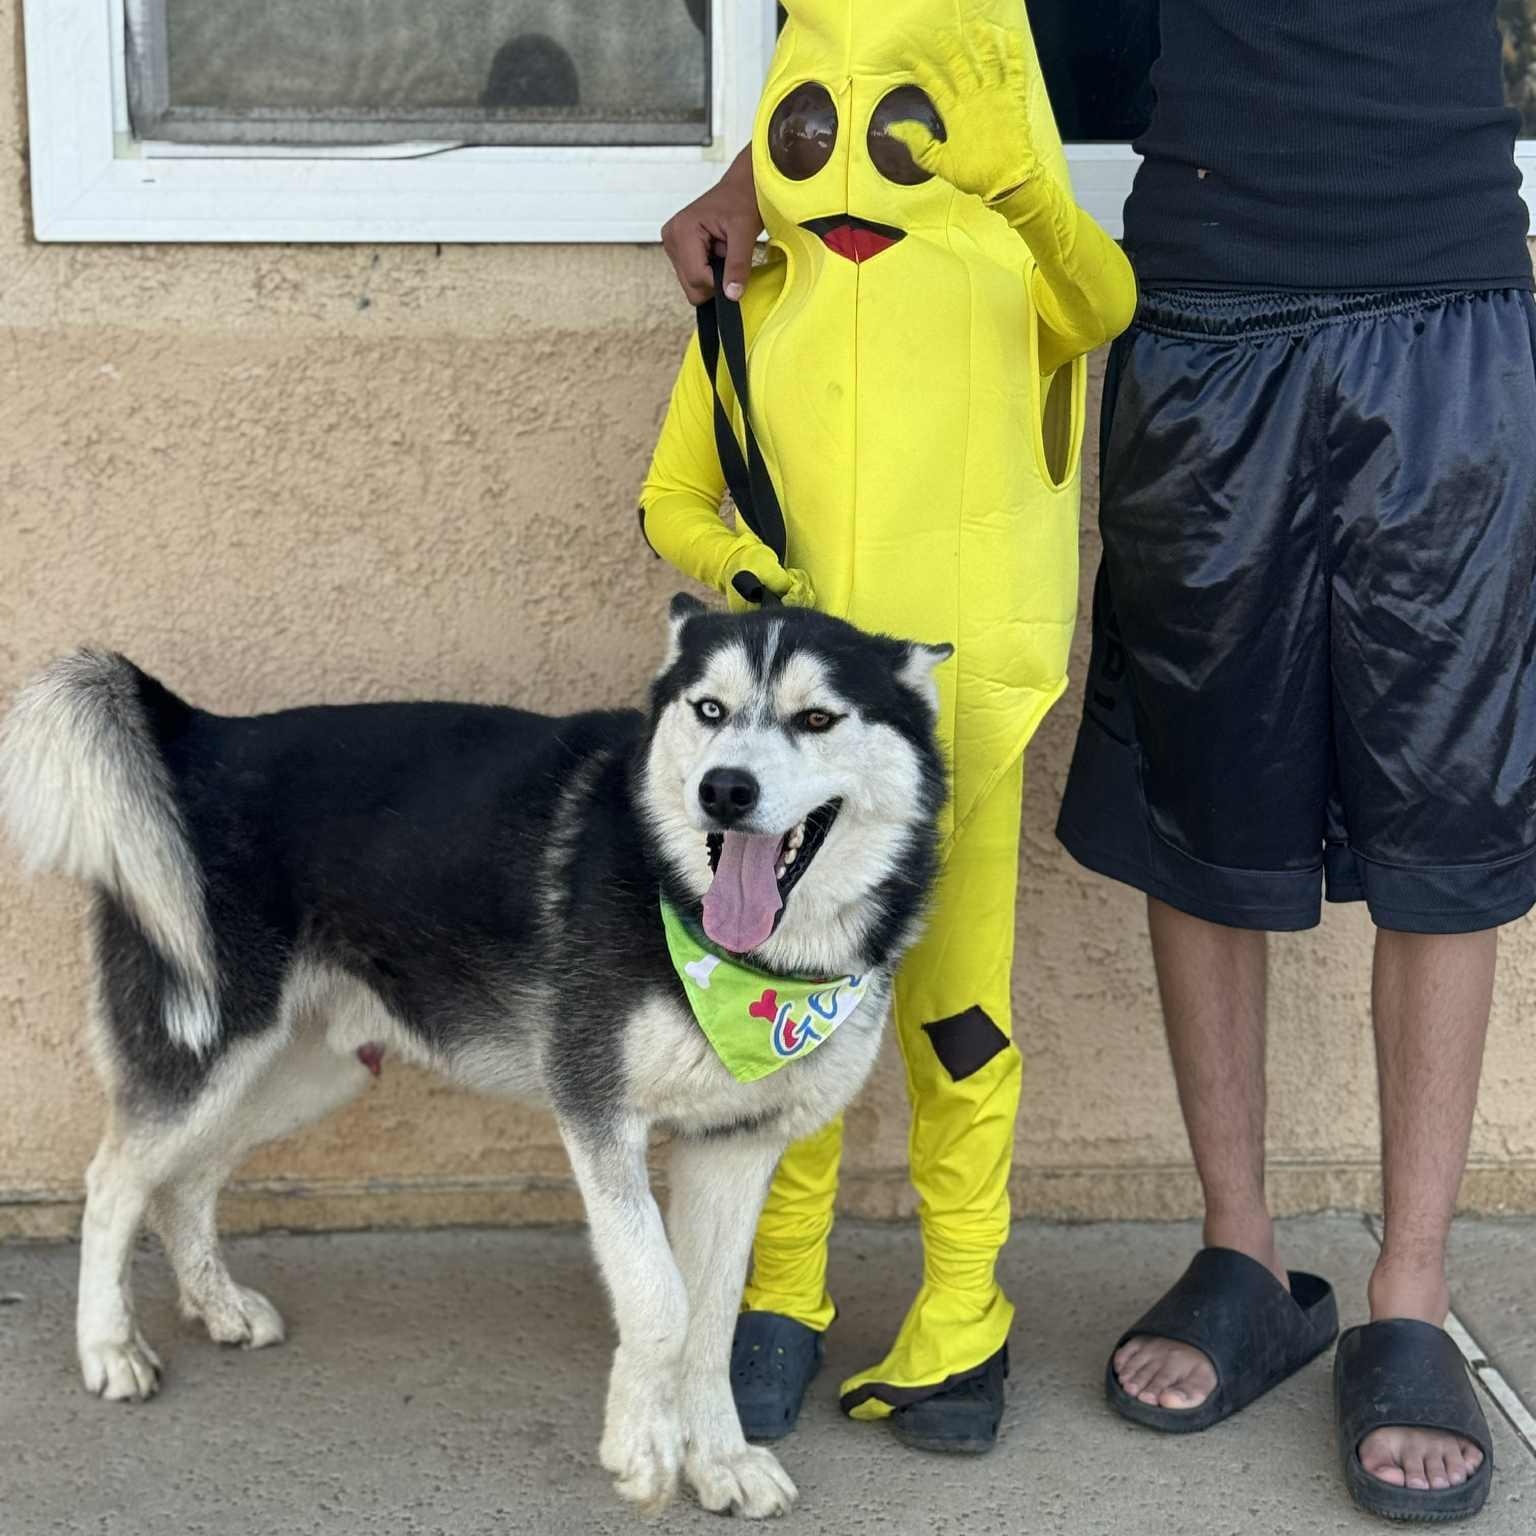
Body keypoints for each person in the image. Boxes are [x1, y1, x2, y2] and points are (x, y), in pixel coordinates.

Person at [663, 0, 1534, 1522]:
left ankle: (1409, 1291)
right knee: (1200, 797)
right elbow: (941, 17)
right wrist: (760, 167)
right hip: (1199, 304)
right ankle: (1241, 1253)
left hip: (1444, 285)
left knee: (1443, 807)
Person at [642, 0, 1135, 1455]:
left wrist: (1024, 187)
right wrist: (752, 579)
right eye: (815, 129)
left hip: (956, 720)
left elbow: (1103, 300)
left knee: (957, 1017)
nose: (858, 163)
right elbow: (674, 494)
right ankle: (776, 1295)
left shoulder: (1014, 278)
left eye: (908, 131)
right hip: (786, 756)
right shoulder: (761, 306)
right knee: (778, 1002)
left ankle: (963, 1312)